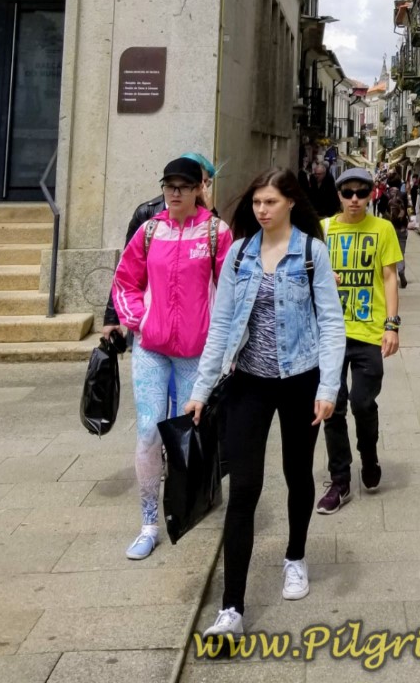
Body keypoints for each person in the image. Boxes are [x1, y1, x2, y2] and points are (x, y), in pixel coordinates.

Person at [185, 169, 346, 640]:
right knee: (245, 490)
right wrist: (201, 388)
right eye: (257, 202)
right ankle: (230, 609)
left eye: (271, 201)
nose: (262, 210)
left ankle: (295, 556)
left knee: (298, 475)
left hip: (302, 381)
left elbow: (332, 325)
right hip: (248, 384)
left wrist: (329, 389)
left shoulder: (312, 253)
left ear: (291, 203)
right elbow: (221, 325)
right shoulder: (238, 254)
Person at [111, 156, 233, 559]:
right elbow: (125, 280)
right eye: (169, 186)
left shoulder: (217, 232)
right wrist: (138, 320)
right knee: (148, 430)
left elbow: (231, 291)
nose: (175, 193)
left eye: (184, 186)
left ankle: (185, 504)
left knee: (187, 434)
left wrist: (226, 346)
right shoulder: (149, 231)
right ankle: (147, 520)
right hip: (151, 348)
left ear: (200, 187)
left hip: (196, 354)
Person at [317, 168, 402, 513]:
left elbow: (390, 277)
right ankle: (340, 479)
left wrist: (392, 325)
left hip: (368, 332)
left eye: (361, 193)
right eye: (348, 192)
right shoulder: (323, 230)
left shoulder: (382, 229)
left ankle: (368, 454)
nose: (354, 199)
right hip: (331, 333)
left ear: (371, 195)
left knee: (362, 403)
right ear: (338, 194)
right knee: (331, 407)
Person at [102, 151, 218, 339]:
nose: (204, 189)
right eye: (201, 182)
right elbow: (127, 270)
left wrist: (211, 210)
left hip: (194, 326)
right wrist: (113, 318)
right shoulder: (147, 213)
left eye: (207, 183)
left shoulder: (212, 222)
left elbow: (218, 267)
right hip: (150, 320)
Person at [389, 188, 409, 289]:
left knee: (390, 254)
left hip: (391, 229)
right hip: (402, 229)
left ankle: (390, 276)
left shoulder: (388, 201)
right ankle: (401, 271)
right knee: (401, 253)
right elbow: (407, 213)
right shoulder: (403, 200)